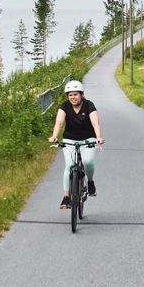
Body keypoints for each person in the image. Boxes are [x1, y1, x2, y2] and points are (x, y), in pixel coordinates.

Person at [47, 79, 103, 209]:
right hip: (70, 140)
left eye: (75, 94)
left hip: (88, 139)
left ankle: (90, 182)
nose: (73, 97)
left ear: (81, 94)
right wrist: (54, 136)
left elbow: (95, 123)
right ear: (68, 96)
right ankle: (66, 197)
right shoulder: (64, 106)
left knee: (88, 161)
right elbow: (59, 123)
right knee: (70, 165)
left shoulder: (89, 105)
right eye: (70, 95)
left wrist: (99, 137)